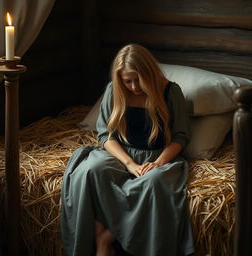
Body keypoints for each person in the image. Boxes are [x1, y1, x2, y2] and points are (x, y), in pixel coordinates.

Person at [60, 44, 194, 256]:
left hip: (159, 156)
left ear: (149, 72)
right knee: (90, 170)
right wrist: (129, 164)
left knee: (153, 183)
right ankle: (96, 237)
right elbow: (105, 135)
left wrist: (158, 163)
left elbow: (180, 137)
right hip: (120, 154)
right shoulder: (114, 90)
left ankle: (107, 237)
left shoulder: (171, 92)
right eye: (127, 80)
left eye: (138, 79)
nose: (133, 86)